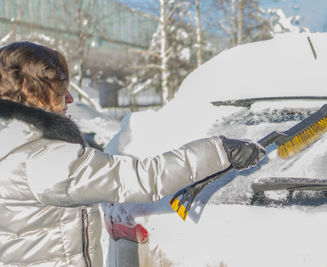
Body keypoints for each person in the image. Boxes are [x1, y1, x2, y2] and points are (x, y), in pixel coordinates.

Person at [0, 41, 266, 267]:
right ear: (32, 92)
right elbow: (143, 178)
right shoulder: (44, 159)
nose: (69, 98)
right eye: (60, 88)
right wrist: (219, 150)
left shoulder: (12, 148)